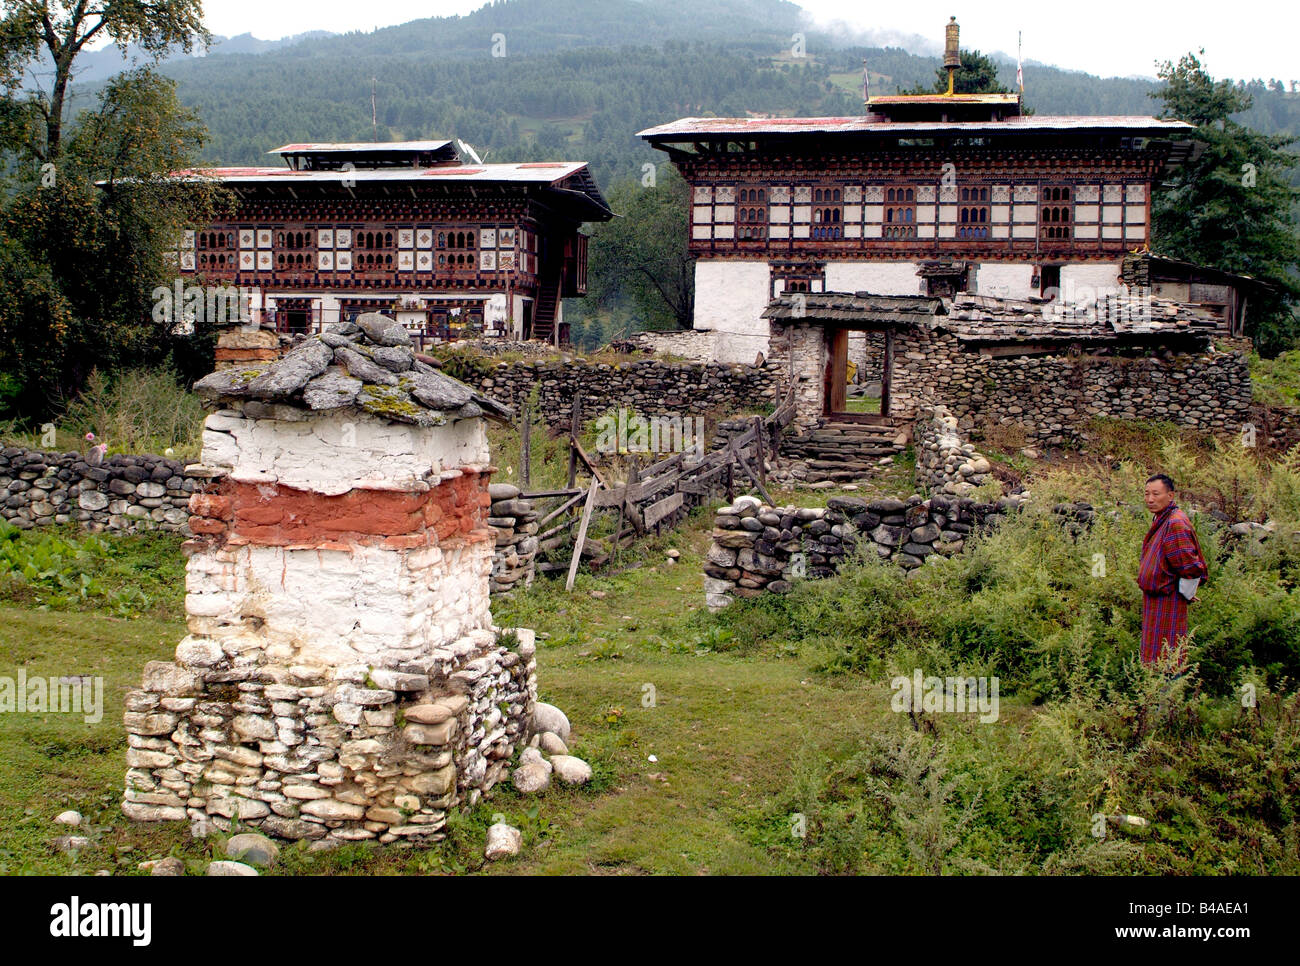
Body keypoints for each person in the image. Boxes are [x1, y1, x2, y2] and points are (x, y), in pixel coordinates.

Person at [1137, 474, 1208, 670]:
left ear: (1170, 495)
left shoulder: (1175, 522)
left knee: (1168, 656)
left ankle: (1168, 698)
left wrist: (1187, 592)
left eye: (1156, 494)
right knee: (1155, 657)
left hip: (1169, 599)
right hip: (1156, 599)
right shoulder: (1162, 519)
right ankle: (1154, 696)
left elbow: (1189, 566)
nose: (1150, 499)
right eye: (1147, 494)